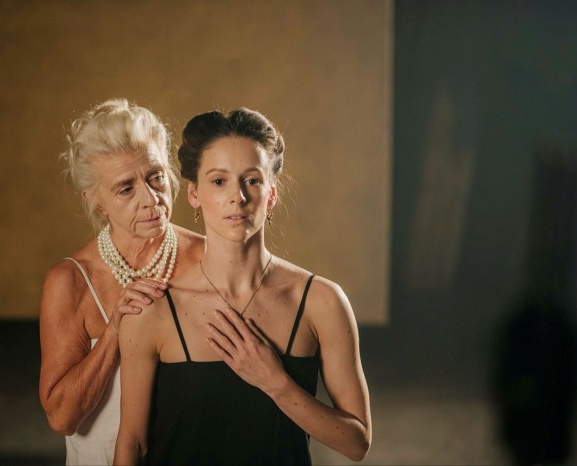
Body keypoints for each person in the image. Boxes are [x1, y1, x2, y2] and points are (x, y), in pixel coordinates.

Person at [114, 108, 372, 465]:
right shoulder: (153, 311)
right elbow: (132, 444)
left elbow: (357, 443)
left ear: (271, 193)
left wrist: (275, 382)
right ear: (193, 193)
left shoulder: (321, 302)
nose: (237, 196)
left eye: (251, 180)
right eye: (219, 181)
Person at [39, 99, 205, 465]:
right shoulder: (70, 281)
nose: (151, 199)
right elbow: (62, 417)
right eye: (126, 189)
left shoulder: (209, 260)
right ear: (96, 202)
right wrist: (116, 328)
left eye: (156, 176)